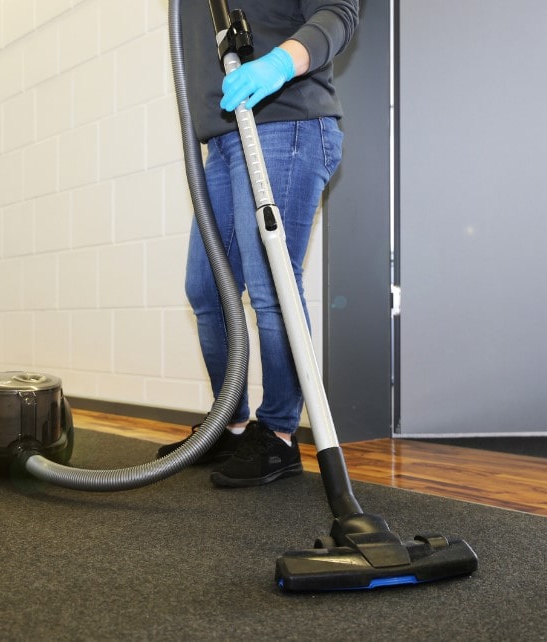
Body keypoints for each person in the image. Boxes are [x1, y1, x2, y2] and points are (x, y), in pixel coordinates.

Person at [157, 0, 360, 487]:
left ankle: (279, 434)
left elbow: (339, 12)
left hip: (284, 122)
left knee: (272, 291)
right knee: (208, 290)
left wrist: (279, 63)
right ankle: (230, 423)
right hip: (224, 140)